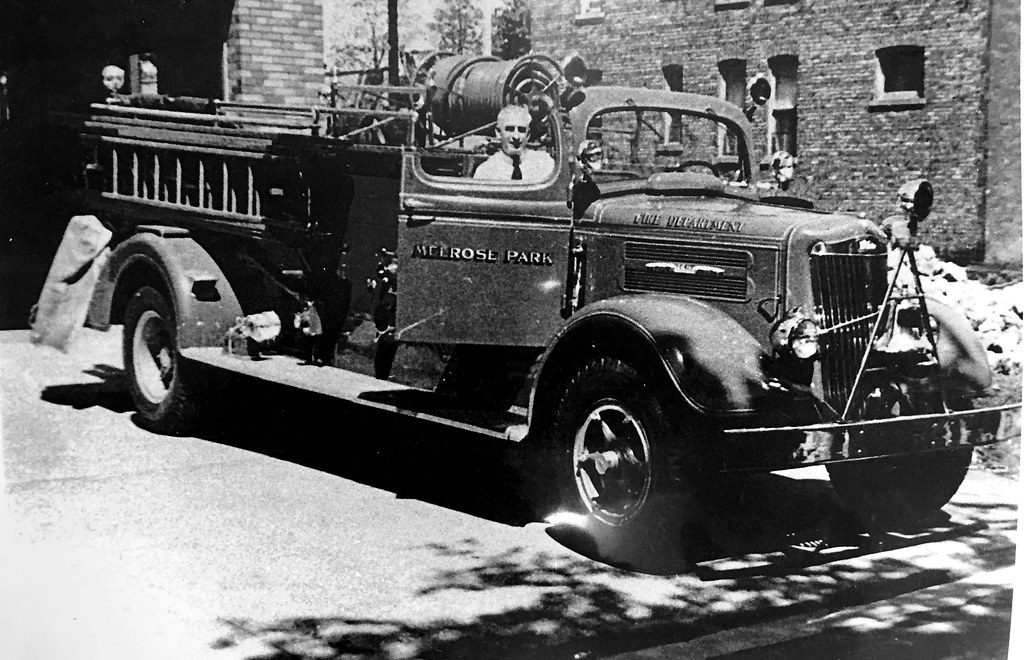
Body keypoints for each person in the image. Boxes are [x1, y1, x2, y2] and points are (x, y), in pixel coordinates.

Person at [473, 105, 554, 183]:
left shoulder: (545, 164)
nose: (516, 136)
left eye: (521, 130)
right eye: (510, 129)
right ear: (498, 132)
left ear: (528, 135)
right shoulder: (486, 172)